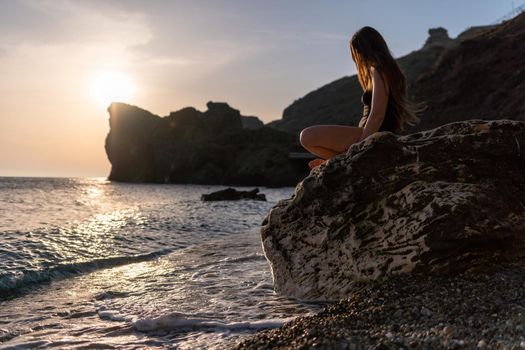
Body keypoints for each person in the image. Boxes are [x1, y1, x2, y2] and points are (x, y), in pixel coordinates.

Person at [300, 26, 421, 170]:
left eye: (356, 51)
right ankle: (338, 161)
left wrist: (360, 147)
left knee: (307, 136)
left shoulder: (380, 70)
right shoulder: (383, 70)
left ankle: (340, 161)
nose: (357, 57)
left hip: (376, 134)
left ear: (364, 49)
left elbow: (377, 115)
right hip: (370, 132)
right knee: (308, 138)